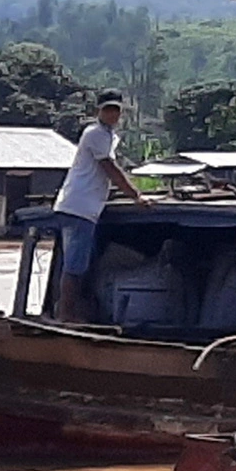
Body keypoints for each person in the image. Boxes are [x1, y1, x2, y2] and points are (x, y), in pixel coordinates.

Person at [52, 90, 151, 322]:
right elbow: (109, 168)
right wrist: (136, 196)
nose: (112, 114)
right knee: (75, 265)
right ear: (98, 111)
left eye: (116, 110)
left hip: (83, 207)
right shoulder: (96, 133)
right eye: (107, 109)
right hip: (79, 207)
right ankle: (66, 315)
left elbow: (105, 172)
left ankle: (74, 311)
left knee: (82, 263)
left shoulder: (106, 136)